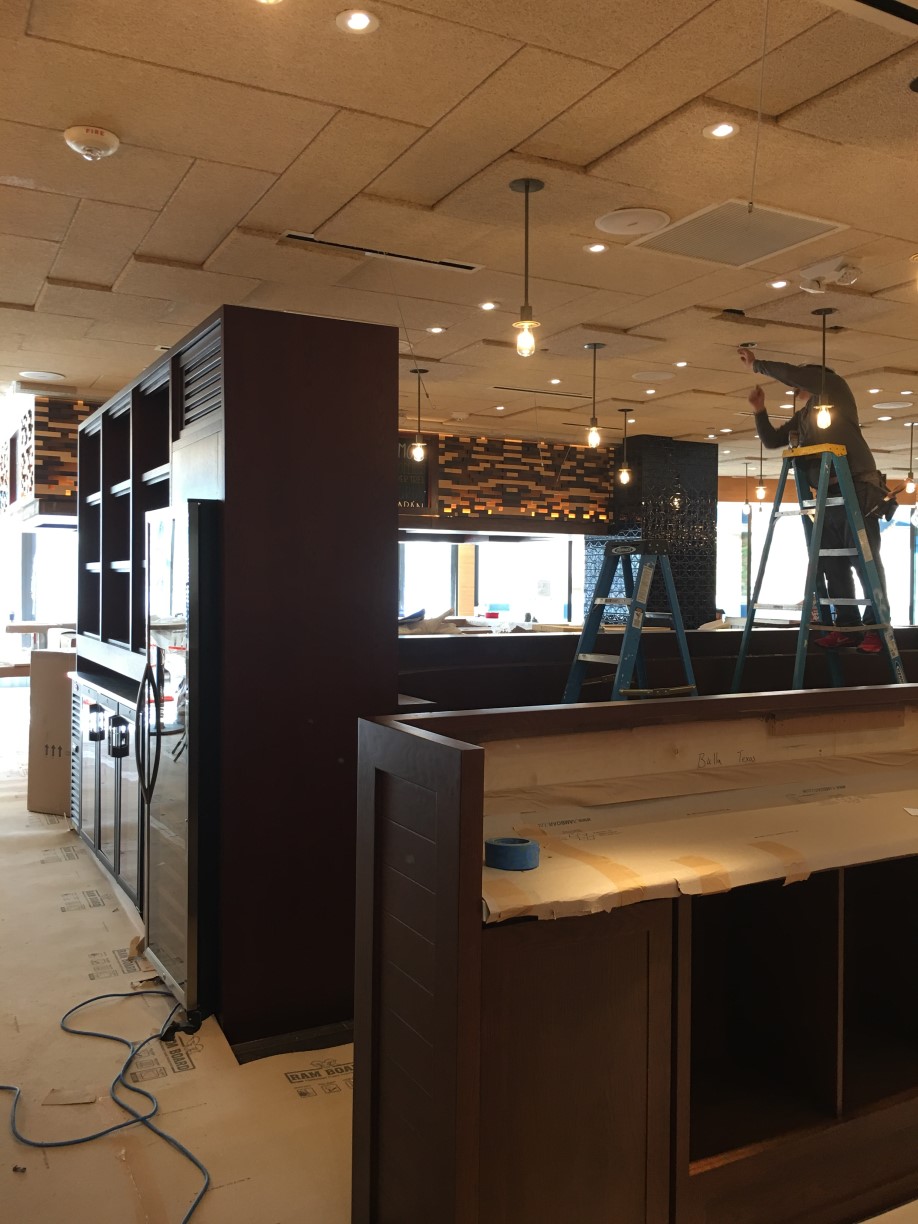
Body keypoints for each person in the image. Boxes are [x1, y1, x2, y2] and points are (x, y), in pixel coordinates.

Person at [738, 347, 889, 654]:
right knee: (832, 563)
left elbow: (794, 374)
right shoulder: (805, 416)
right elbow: (772, 440)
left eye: (803, 381)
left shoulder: (835, 388)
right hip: (828, 494)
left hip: (858, 486)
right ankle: (847, 626)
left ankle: (877, 628)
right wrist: (759, 410)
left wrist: (757, 365)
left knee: (865, 561)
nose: (797, 386)